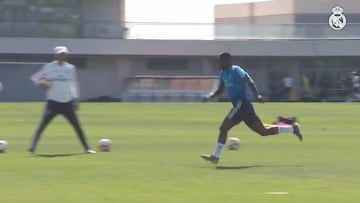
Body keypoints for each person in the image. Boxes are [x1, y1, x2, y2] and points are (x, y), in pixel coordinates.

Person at [201, 53, 302, 164]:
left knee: (223, 128)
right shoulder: (223, 74)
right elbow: (220, 90)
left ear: (226, 60)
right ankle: (293, 128)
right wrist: (209, 96)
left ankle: (215, 156)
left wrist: (256, 95)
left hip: (242, 104)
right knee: (263, 131)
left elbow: (248, 80)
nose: (218, 64)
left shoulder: (236, 70)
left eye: (219, 61)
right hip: (242, 107)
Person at [28, 46, 96, 154]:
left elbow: (73, 84)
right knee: (42, 125)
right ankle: (31, 149)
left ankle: (87, 148)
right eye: (60, 54)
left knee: (77, 126)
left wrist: (76, 100)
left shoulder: (70, 68)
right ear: (56, 55)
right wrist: (43, 84)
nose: (62, 55)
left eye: (64, 54)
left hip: (67, 102)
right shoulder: (48, 67)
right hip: (53, 102)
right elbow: (36, 78)